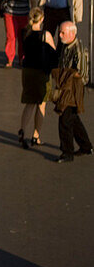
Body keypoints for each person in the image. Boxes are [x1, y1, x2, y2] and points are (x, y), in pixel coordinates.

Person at [52, 21, 92, 162]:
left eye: (63, 32)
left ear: (72, 33)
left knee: (64, 119)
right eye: (60, 32)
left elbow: (80, 73)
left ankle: (67, 153)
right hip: (66, 87)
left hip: (73, 89)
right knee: (72, 119)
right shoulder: (65, 46)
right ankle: (86, 146)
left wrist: (64, 75)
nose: (60, 35)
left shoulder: (78, 49)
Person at [19, 8, 55, 150]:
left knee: (29, 103)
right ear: (41, 19)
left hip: (27, 71)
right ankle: (36, 135)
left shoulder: (25, 33)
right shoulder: (45, 35)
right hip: (41, 72)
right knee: (41, 104)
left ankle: (22, 130)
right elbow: (53, 52)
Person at [0, 0, 35, 68]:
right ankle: (10, 59)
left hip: (24, 15)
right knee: (11, 36)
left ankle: (22, 58)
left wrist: (33, 13)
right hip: (10, 14)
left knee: (22, 37)